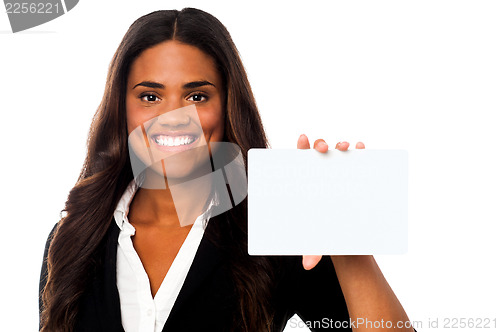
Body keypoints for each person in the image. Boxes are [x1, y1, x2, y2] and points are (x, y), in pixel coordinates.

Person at [39, 8, 414, 332]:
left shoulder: (274, 230)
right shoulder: (74, 237)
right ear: (122, 109)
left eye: (197, 96)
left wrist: (347, 245)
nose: (174, 118)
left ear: (228, 104)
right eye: (150, 97)